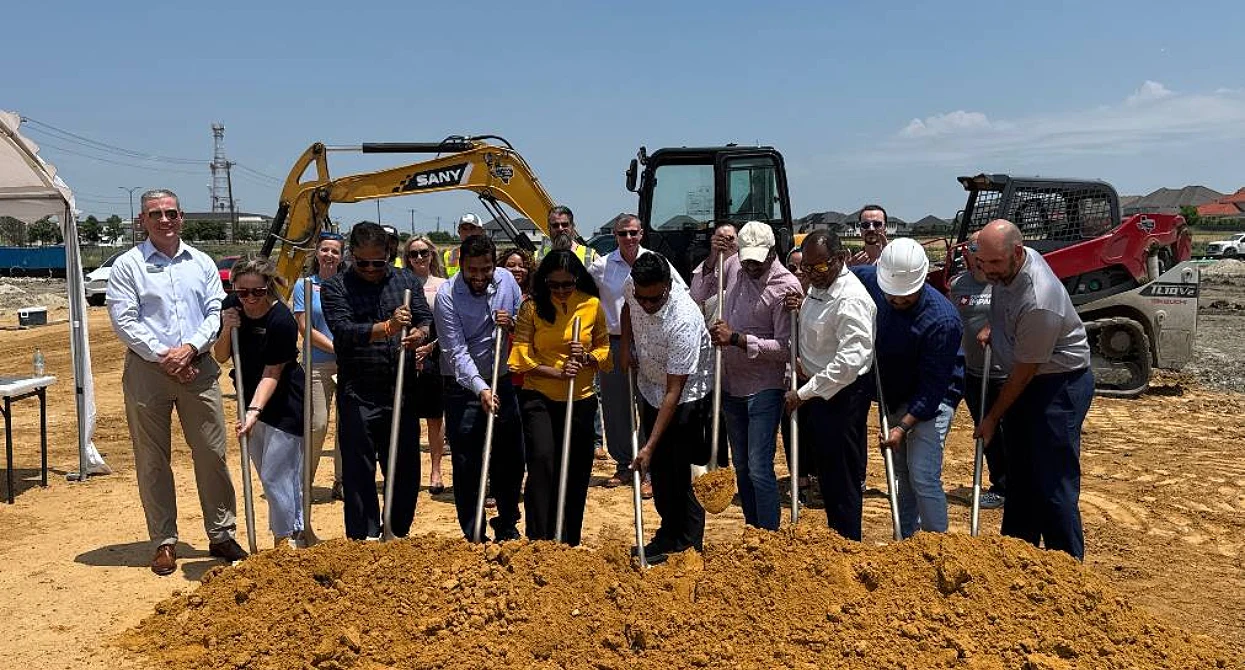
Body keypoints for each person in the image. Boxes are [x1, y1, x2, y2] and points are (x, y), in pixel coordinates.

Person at [105, 188, 246, 575]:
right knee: (153, 459)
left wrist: (190, 348)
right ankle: (163, 541)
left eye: (170, 213)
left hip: (198, 369)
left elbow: (216, 311)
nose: (164, 220)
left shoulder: (201, 262)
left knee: (212, 453)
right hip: (147, 372)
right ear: (142, 221)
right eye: (155, 214)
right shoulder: (128, 266)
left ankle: (221, 533)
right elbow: (124, 320)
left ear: (181, 217)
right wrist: (165, 356)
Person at [973, 219, 1093, 560]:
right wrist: (996, 327)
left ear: (1017, 253)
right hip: (1030, 377)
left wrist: (992, 418)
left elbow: (1024, 374)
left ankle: (1066, 568)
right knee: (1022, 478)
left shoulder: (1040, 298)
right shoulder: (1010, 267)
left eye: (995, 263)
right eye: (982, 262)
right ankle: (1017, 558)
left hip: (1056, 385)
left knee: (1053, 484)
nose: (988, 270)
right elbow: (1009, 308)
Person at [321, 222, 431, 540]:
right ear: (352, 255)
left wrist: (420, 333)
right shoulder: (336, 287)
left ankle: (397, 530)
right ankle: (364, 535)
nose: (370, 269)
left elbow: (425, 318)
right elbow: (344, 331)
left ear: (389, 254)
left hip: (401, 390)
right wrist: (388, 328)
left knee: (404, 467)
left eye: (377, 262)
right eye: (363, 262)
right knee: (358, 468)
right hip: (358, 391)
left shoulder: (406, 280)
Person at [690, 221, 800, 530]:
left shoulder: (785, 287)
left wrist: (738, 339)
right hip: (731, 383)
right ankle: (753, 529)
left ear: (772, 253)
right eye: (746, 259)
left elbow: (785, 348)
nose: (750, 266)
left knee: (759, 467)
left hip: (764, 386)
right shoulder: (733, 266)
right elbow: (698, 292)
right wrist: (712, 258)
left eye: (757, 261)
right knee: (741, 465)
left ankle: (769, 533)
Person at [854, 238, 964, 538]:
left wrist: (902, 428)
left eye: (905, 296)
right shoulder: (872, 280)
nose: (897, 301)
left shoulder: (942, 320)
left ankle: (937, 543)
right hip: (894, 391)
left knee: (922, 474)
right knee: (901, 473)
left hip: (933, 400)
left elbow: (932, 389)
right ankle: (905, 539)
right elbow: (842, 275)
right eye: (891, 296)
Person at [508, 250, 610, 545]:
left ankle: (568, 539)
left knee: (576, 469)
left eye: (568, 284)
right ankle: (539, 537)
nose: (562, 291)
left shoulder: (591, 305)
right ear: (544, 281)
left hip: (580, 398)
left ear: (578, 279)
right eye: (554, 285)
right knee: (542, 461)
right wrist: (556, 373)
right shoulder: (531, 307)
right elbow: (520, 356)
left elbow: (604, 351)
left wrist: (587, 357)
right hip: (539, 396)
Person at [781, 231, 875, 539]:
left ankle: (848, 542)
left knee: (842, 477)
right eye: (806, 268)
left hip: (841, 395)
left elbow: (848, 363)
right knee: (828, 474)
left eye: (820, 267)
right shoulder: (820, 287)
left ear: (840, 259)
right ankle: (837, 539)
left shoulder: (851, 299)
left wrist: (804, 393)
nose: (812, 274)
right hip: (817, 391)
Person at [434, 235, 525, 542]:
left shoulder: (507, 281)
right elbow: (456, 352)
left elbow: (524, 327)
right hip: (463, 388)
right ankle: (474, 532)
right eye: (472, 270)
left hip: (502, 380)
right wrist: (481, 389)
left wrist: (511, 324)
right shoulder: (447, 296)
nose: (479, 276)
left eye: (485, 269)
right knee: (468, 463)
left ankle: (507, 524)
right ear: (461, 265)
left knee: (510, 457)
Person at [622, 252, 712, 563]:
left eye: (654, 299)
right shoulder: (633, 287)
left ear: (668, 288)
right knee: (661, 473)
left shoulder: (684, 319)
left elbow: (675, 390)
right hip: (650, 386)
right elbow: (627, 308)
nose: (646, 305)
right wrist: (626, 346)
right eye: (642, 298)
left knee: (682, 473)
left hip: (687, 398)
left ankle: (688, 546)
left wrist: (649, 445)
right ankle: (668, 534)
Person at [213, 257, 306, 548]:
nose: (250, 298)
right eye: (243, 292)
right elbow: (221, 355)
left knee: (275, 473)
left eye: (257, 291)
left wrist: (254, 412)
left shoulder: (282, 320)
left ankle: (283, 539)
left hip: (284, 401)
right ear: (234, 288)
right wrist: (227, 328)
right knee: (274, 474)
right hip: (249, 396)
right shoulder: (231, 306)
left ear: (269, 287)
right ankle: (296, 528)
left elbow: (273, 372)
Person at [587, 214, 685, 493]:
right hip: (614, 342)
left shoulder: (657, 261)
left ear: (641, 233)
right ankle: (623, 465)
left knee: (651, 402)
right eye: (623, 233)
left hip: (650, 341)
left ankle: (648, 468)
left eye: (633, 233)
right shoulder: (600, 267)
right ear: (615, 235)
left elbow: (680, 291)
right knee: (616, 407)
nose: (628, 238)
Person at [949, 232, 1007, 509]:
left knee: (1008, 431)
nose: (978, 254)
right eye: (973, 247)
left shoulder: (1003, 284)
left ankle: (1013, 485)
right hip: (972, 371)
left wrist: (995, 327)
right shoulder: (958, 285)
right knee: (985, 429)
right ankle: (1001, 484)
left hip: (1003, 372)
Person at [292, 232, 345, 501]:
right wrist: (337, 347)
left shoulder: (348, 285)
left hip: (347, 366)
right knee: (317, 424)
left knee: (347, 427)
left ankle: (342, 481)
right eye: (325, 250)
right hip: (317, 365)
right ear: (317, 252)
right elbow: (305, 328)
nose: (329, 255)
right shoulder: (304, 286)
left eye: (335, 251)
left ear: (342, 256)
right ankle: (304, 484)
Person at [404, 235, 448, 495]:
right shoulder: (401, 283)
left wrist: (431, 346)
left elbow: (449, 324)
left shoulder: (443, 285)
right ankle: (409, 472)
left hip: (436, 354)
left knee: (434, 417)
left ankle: (436, 470)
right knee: (408, 417)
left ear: (432, 254)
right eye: (413, 253)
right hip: (407, 354)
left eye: (423, 252)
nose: (419, 257)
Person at [443, 213, 485, 277]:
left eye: (472, 229)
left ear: (481, 231)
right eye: (464, 229)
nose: (468, 233)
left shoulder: (488, 255)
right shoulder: (448, 255)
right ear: (459, 231)